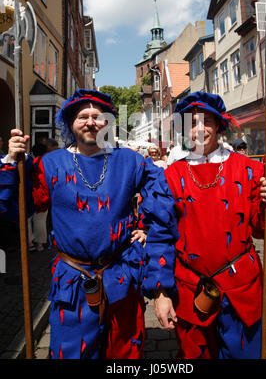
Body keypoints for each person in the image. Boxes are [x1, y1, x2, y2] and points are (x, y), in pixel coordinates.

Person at [0, 89, 178, 359]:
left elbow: (163, 200)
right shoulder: (50, 163)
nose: (91, 122)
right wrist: (13, 163)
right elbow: (14, 209)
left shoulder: (129, 160)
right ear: (71, 123)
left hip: (122, 276)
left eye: (98, 116)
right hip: (72, 282)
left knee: (124, 356)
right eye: (83, 116)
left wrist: (146, 227)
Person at [154, 91, 266, 359]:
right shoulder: (170, 176)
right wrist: (161, 292)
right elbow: (159, 237)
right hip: (189, 289)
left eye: (207, 121)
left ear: (219, 125)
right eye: (191, 122)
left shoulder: (249, 170)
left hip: (241, 289)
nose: (199, 129)